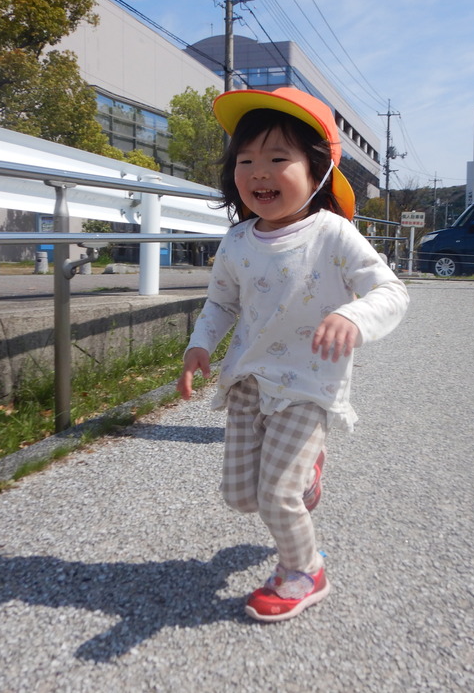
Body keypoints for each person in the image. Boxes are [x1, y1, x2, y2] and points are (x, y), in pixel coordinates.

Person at [177, 87, 409, 622]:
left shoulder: (332, 233)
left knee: (276, 496)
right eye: (246, 160)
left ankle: (304, 571)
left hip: (309, 384)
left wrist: (352, 316)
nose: (260, 172)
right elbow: (221, 302)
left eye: (279, 159)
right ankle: (307, 477)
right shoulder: (237, 240)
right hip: (248, 382)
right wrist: (199, 344)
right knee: (241, 496)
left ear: (318, 170)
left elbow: (391, 291)